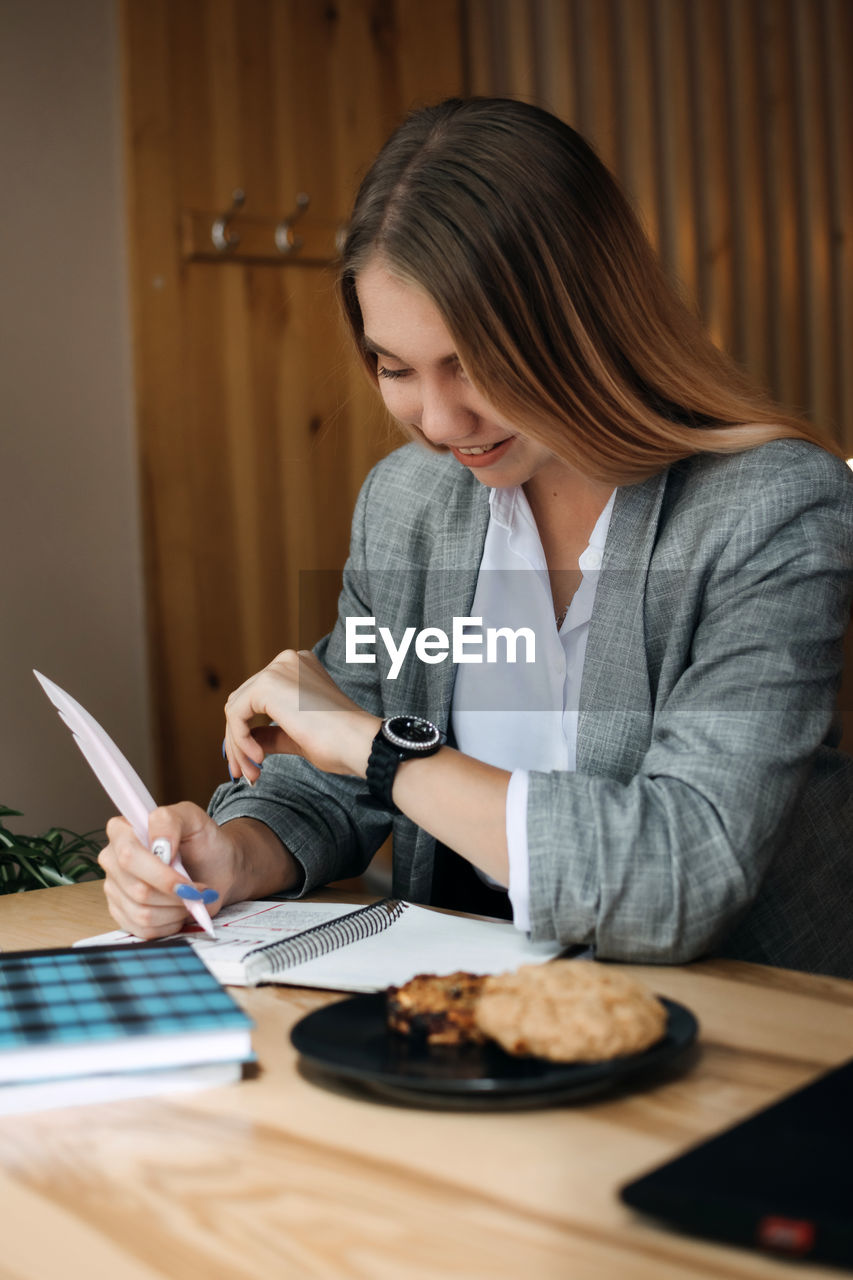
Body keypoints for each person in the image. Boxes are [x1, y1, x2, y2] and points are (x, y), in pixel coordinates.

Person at [100, 97, 853, 976]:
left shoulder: (770, 510)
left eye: (474, 363)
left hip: (756, 1034)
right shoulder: (409, 505)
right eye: (395, 368)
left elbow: (675, 877)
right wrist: (234, 851)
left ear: (585, 315)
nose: (439, 418)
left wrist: (381, 749)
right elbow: (328, 777)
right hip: (475, 1022)